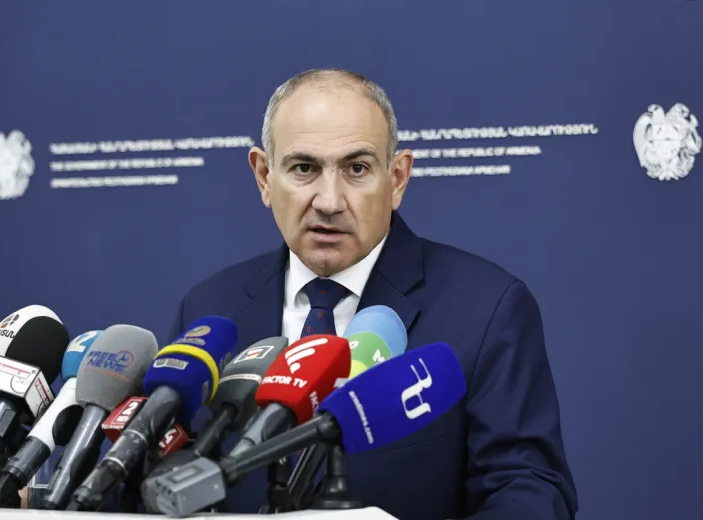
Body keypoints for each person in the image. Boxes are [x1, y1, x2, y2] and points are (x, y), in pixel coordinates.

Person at [169, 68, 578, 519]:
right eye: (304, 168)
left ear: (397, 178)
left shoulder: (487, 309)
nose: (329, 201)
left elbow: (528, 491)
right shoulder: (210, 308)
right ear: (265, 177)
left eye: (356, 169)